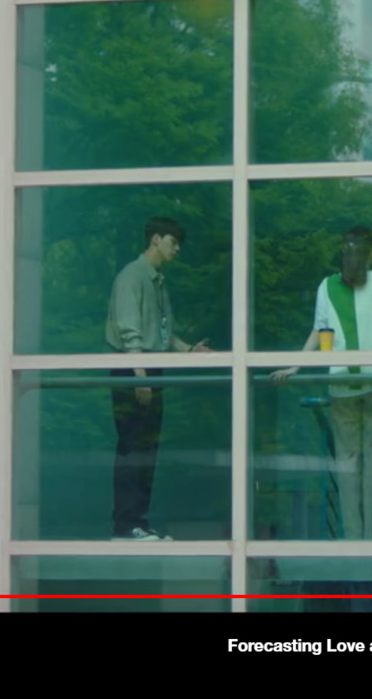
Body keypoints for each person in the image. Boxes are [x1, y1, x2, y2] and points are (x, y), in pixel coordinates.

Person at [272, 226, 372, 541]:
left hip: (341, 386)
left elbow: (319, 331)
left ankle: (353, 540)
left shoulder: (326, 285)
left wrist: (296, 364)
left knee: (348, 466)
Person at [105, 216, 212, 541]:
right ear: (155, 239)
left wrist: (188, 349)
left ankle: (138, 522)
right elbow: (129, 330)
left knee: (147, 448)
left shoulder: (157, 281)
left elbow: (161, 334)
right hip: (134, 367)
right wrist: (139, 376)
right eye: (172, 241)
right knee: (133, 447)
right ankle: (125, 525)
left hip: (149, 367)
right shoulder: (132, 277)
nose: (176, 249)